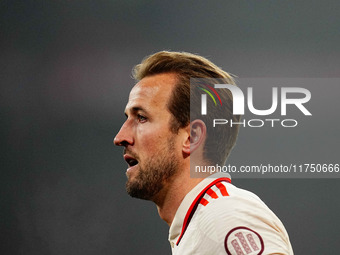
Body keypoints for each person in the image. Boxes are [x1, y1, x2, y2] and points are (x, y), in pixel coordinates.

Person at [114, 51, 293, 254]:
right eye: (128, 118)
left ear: (192, 137)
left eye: (141, 118)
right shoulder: (200, 225)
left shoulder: (225, 216)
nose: (120, 137)